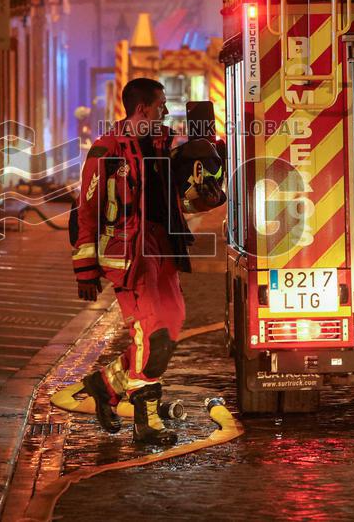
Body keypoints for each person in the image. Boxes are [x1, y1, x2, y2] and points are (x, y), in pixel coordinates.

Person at [72, 77, 209, 445]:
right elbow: (87, 211)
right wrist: (85, 270)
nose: (166, 111)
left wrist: (207, 186)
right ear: (142, 108)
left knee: (172, 326)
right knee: (155, 336)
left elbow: (184, 200)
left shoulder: (167, 147)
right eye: (161, 104)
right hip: (130, 258)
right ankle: (147, 421)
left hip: (162, 251)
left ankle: (104, 385)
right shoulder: (106, 152)